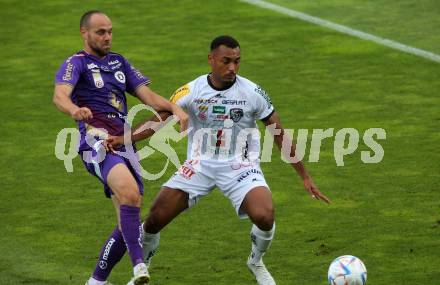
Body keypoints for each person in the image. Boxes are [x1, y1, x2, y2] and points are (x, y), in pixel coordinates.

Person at [106, 35, 330, 285]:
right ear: (211, 60)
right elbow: (160, 119)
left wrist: (305, 176)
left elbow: (279, 133)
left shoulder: (252, 92)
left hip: (240, 166)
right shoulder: (191, 91)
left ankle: (256, 261)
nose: (232, 67)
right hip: (199, 165)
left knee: (265, 215)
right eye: (226, 61)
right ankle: (142, 270)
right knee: (154, 220)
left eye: (237, 61)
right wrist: (125, 139)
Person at [52, 10, 188, 285]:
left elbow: (148, 96)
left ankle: (96, 281)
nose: (107, 37)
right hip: (96, 141)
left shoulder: (119, 62)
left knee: (130, 213)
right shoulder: (76, 63)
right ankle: (139, 266)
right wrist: (74, 110)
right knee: (129, 194)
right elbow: (59, 95)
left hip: (124, 144)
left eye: (110, 31)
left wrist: (174, 107)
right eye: (101, 32)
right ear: (85, 33)